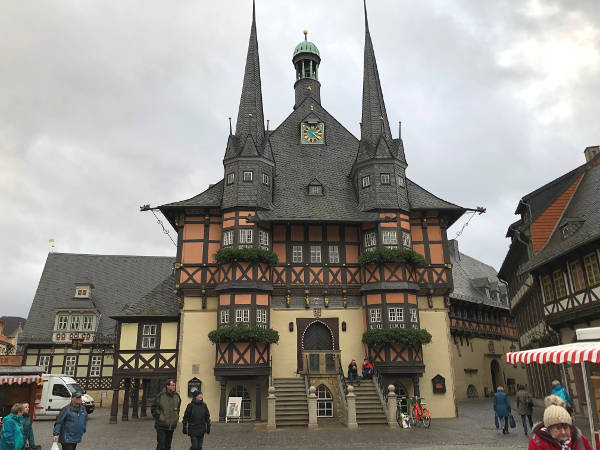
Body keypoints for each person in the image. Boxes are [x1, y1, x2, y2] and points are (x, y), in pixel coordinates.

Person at [152, 379, 182, 450]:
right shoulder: (160, 396)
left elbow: (178, 408)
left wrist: (176, 417)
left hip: (171, 425)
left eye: (174, 385)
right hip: (161, 425)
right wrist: (160, 417)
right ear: (167, 386)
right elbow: (154, 408)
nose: (174, 387)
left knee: (168, 445)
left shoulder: (177, 396)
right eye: (172, 385)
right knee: (161, 445)